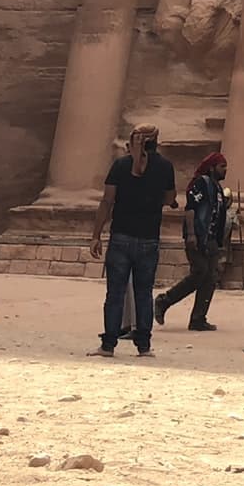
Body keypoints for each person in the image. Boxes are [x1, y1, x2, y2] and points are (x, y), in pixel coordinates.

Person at [89, 124, 176, 358]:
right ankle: (144, 346)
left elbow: (107, 201)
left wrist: (96, 235)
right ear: (156, 142)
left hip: (121, 237)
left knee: (115, 294)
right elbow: (169, 199)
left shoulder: (121, 165)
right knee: (144, 293)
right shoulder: (165, 167)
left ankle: (108, 345)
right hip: (148, 238)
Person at [155, 151, 229, 331]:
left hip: (211, 239)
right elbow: (191, 210)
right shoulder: (200, 185)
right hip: (198, 236)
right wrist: (191, 234)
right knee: (200, 272)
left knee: (210, 278)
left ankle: (198, 318)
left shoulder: (218, 189)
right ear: (212, 168)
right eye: (222, 167)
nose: (225, 170)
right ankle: (164, 300)